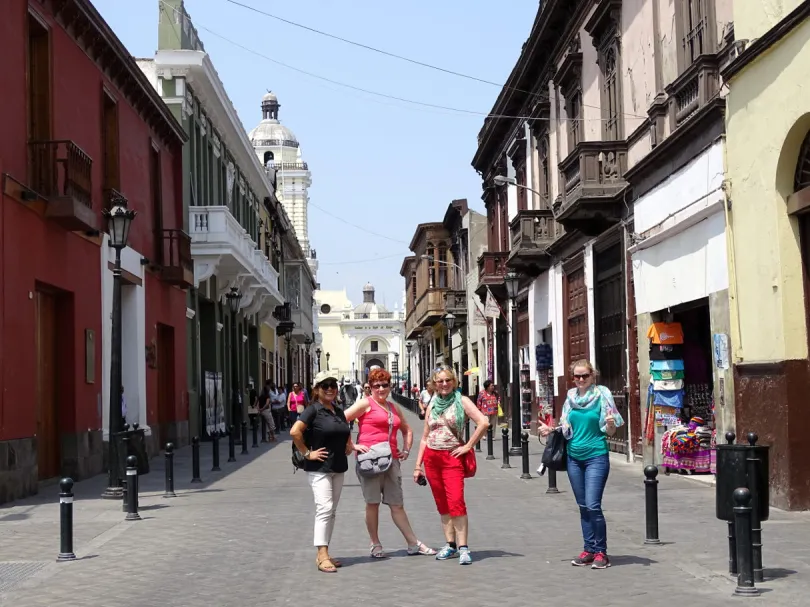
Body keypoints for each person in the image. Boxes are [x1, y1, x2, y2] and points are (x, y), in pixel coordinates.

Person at [539, 359, 624, 570]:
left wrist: (611, 425)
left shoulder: (602, 394)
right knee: (583, 506)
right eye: (576, 376)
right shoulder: (570, 397)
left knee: (593, 505)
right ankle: (589, 549)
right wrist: (551, 430)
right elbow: (566, 426)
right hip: (574, 458)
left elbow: (611, 431)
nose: (580, 380)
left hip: (596, 455)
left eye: (584, 375)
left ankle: (601, 552)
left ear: (593, 375)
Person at [344, 368, 436, 559]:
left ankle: (413, 543)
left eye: (384, 385)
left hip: (392, 460)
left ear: (390, 386)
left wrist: (406, 450)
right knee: (372, 503)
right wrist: (353, 445)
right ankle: (375, 543)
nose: (380, 389)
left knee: (397, 504)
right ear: (370, 387)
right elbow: (341, 420)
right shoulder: (365, 404)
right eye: (376, 385)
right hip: (370, 460)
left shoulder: (393, 408)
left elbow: (407, 430)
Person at [414, 365, 488, 565]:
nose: (444, 384)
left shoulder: (461, 401)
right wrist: (417, 465)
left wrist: (468, 446)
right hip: (432, 458)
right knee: (442, 504)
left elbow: (483, 422)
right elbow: (424, 437)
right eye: (440, 381)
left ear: (454, 382)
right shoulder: (431, 404)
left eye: (448, 380)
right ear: (434, 384)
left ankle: (464, 547)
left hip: (451, 457)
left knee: (456, 502)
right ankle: (450, 545)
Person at [290, 370, 355, 573]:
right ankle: (322, 554)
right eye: (325, 386)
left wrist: (349, 444)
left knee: (331, 511)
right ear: (316, 390)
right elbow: (295, 431)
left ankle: (325, 552)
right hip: (319, 468)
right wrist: (307, 453)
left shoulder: (337, 410)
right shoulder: (313, 410)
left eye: (333, 386)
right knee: (324, 508)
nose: (330, 389)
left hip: (338, 466)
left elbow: (344, 430)